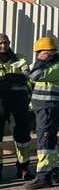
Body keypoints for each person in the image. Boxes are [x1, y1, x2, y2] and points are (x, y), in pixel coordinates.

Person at [22, 37, 59, 189]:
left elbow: (36, 76)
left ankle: (43, 176)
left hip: (49, 109)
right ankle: (53, 172)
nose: (38, 56)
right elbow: (33, 77)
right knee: (50, 142)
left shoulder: (58, 67)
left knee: (45, 142)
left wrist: (39, 62)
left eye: (40, 53)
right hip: (45, 108)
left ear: (48, 53)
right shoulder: (51, 66)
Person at [0, 33, 33, 181]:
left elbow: (26, 74)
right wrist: (13, 78)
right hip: (0, 102)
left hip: (18, 102)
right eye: (0, 43)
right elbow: (19, 77)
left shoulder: (19, 57)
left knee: (22, 136)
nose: (3, 46)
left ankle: (23, 167)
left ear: (9, 43)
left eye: (5, 43)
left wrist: (4, 79)